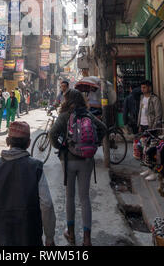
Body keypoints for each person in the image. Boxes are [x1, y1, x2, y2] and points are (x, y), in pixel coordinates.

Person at [0, 121, 56, 246]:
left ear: (7, 141)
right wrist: (49, 237)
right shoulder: (36, 167)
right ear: (28, 143)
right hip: (28, 237)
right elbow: (47, 204)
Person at [49, 89, 107, 246]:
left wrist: (61, 146)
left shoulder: (64, 116)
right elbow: (103, 128)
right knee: (84, 198)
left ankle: (72, 234)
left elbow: (52, 134)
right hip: (86, 161)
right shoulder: (88, 115)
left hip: (68, 160)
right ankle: (87, 240)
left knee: (70, 197)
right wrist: (94, 143)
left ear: (67, 100)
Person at [138, 80, 163, 181]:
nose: (142, 89)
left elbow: (158, 115)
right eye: (142, 87)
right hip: (143, 126)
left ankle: (154, 173)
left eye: (144, 87)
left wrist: (153, 127)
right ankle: (149, 169)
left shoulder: (154, 99)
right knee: (145, 149)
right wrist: (139, 124)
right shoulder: (142, 97)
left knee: (152, 150)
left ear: (149, 87)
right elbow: (141, 112)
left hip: (151, 127)